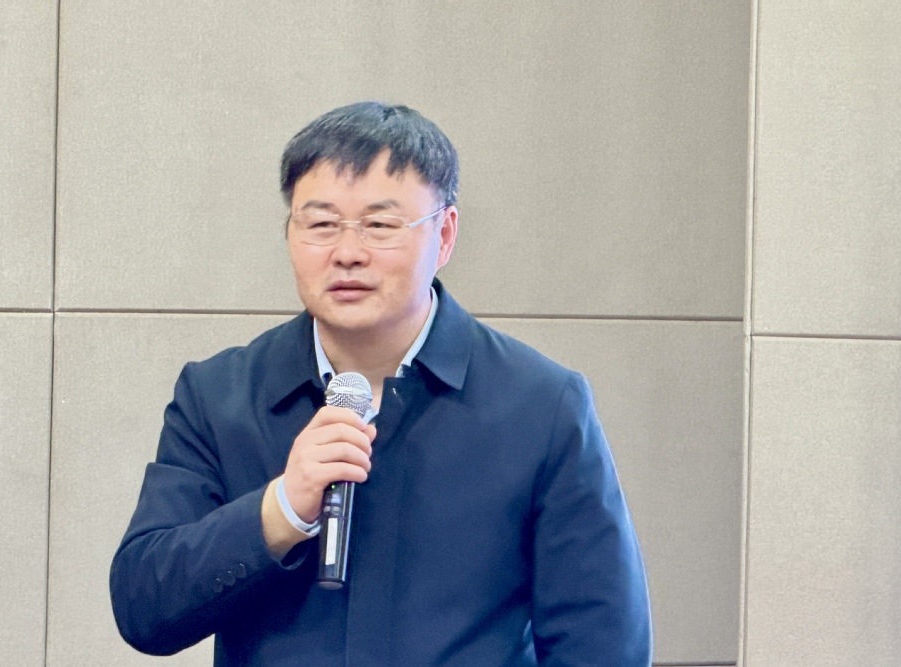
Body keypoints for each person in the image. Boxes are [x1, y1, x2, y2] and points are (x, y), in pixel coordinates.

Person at [110, 101, 652, 666]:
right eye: (321, 224)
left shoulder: (541, 406)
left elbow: (603, 645)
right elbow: (144, 608)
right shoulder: (218, 396)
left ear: (444, 234)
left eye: (380, 225)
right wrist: (280, 511)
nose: (347, 254)